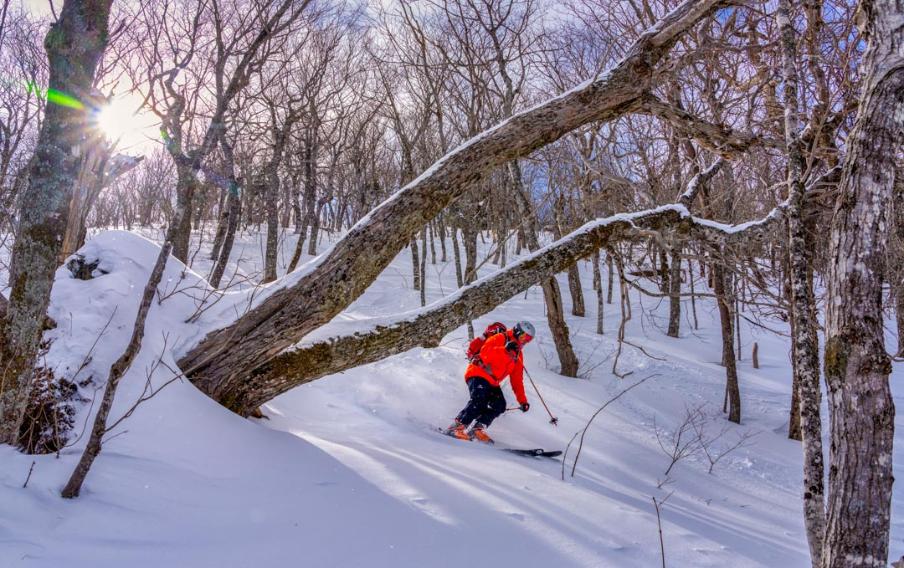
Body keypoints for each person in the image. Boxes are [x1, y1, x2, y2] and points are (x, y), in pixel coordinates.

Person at [445, 320, 536, 444]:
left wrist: (523, 401)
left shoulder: (518, 355)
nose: (524, 341)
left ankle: (477, 429)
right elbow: (485, 353)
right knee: (479, 400)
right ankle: (457, 427)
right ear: (517, 331)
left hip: (493, 382)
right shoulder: (500, 338)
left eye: (528, 339)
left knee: (499, 405)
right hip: (478, 372)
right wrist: (504, 349)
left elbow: (517, 379)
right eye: (524, 336)